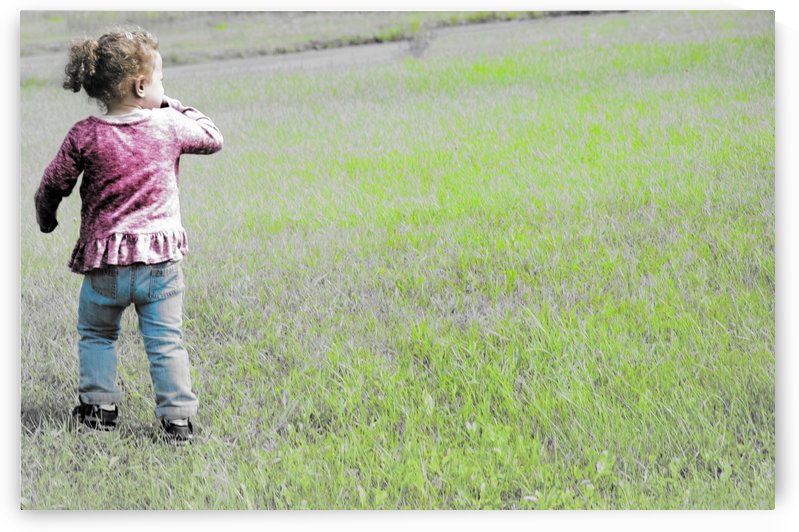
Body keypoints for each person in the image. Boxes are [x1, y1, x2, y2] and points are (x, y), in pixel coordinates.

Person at [34, 27, 223, 444]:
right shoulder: (169, 124)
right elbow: (213, 138)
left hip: (104, 265)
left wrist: (46, 219)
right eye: (160, 81)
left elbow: (52, 184)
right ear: (141, 86)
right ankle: (177, 421)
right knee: (166, 341)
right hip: (160, 265)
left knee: (97, 335)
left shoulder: (84, 134)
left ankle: (98, 410)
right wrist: (173, 105)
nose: (164, 91)